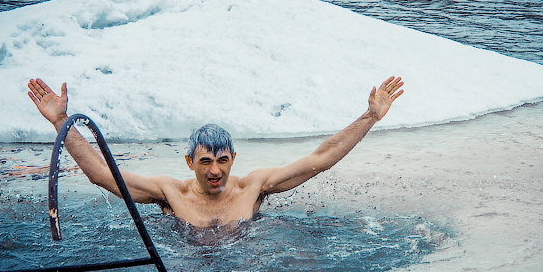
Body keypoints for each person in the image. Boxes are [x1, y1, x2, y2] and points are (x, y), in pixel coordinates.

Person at [27, 76, 404, 228]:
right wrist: (61, 123)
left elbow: (320, 160)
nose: (214, 171)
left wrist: (369, 117)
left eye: (222, 161)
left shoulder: (254, 186)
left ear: (233, 160)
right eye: (205, 161)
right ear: (189, 162)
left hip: (248, 262)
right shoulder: (169, 191)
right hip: (186, 266)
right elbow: (102, 175)